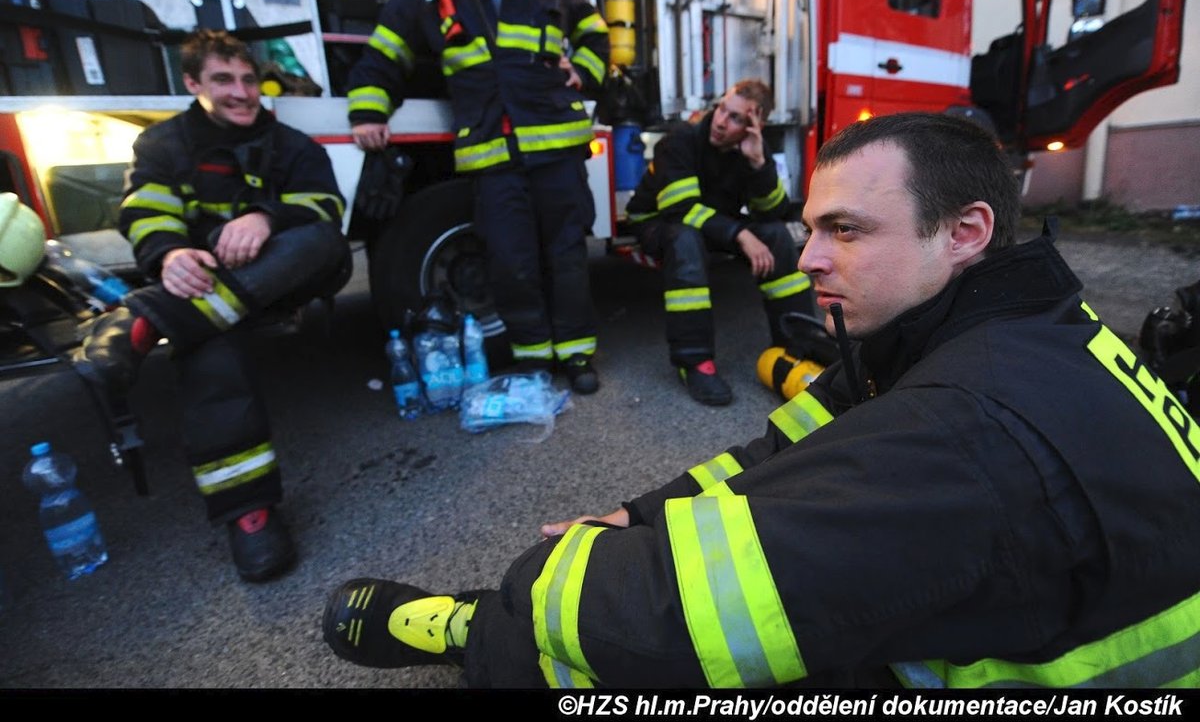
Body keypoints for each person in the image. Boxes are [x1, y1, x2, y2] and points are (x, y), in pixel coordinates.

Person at [320, 112, 1200, 687]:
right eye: (817, 227)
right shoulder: (1020, 319)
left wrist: (538, 581)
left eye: (846, 230)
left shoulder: (958, 432)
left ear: (965, 231)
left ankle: (465, 629)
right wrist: (642, 514)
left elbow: (665, 618)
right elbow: (795, 446)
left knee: (606, 661)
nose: (812, 255)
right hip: (1034, 616)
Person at [74, 30, 350, 582]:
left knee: (323, 240)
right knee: (211, 340)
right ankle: (249, 512)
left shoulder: (295, 146)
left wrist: (266, 218)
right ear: (193, 82)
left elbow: (325, 205)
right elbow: (146, 212)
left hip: (284, 274)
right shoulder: (163, 146)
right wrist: (171, 251)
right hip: (207, 286)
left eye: (249, 79)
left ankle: (151, 319)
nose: (242, 92)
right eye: (224, 79)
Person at [344, 0, 610, 394]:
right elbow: (385, 50)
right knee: (511, 262)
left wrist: (586, 73)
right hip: (493, 155)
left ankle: (577, 355)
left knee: (568, 257)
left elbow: (595, 30)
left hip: (557, 147)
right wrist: (368, 110)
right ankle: (534, 358)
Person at [625, 80, 814, 406]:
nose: (722, 121)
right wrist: (740, 235)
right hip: (658, 222)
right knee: (686, 239)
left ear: (755, 125)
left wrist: (759, 165)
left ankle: (797, 345)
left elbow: (774, 213)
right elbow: (680, 210)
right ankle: (694, 361)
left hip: (709, 222)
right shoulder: (680, 140)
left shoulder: (752, 149)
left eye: (736, 118)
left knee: (776, 237)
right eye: (722, 109)